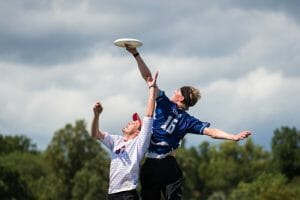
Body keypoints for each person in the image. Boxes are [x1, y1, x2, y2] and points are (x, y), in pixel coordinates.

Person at [125, 46, 252, 200]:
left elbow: (148, 78)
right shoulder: (188, 120)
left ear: (181, 98)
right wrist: (232, 136)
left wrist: (136, 55)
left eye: (177, 91)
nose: (173, 92)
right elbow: (211, 132)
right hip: (167, 166)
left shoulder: (166, 104)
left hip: (154, 165)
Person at [91, 72, 158, 200]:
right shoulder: (116, 140)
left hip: (127, 193)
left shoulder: (139, 143)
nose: (129, 122)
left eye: (134, 122)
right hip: (112, 193)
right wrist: (96, 115)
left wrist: (151, 89)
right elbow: (95, 134)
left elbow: (149, 114)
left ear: (138, 132)